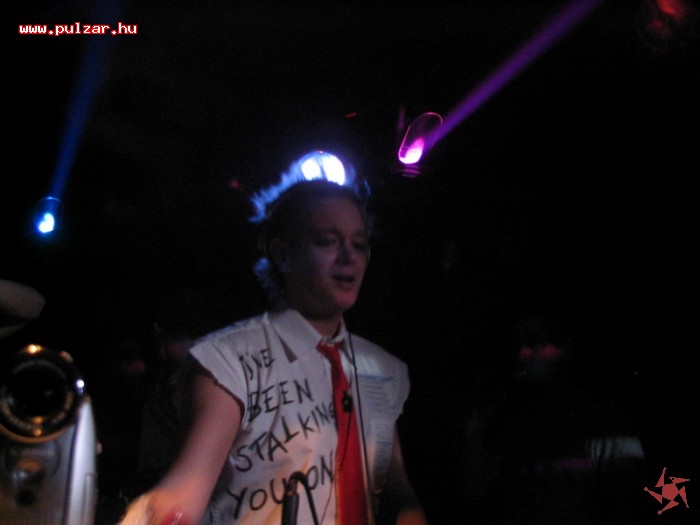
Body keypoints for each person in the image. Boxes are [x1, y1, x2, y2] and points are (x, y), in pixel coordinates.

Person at [118, 160, 428, 525]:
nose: (349, 256)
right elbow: (185, 489)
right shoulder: (228, 361)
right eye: (327, 241)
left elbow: (394, 489)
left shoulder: (381, 368)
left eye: (359, 244)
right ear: (282, 254)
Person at [461, 313, 648, 525]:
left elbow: (629, 502)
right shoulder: (514, 421)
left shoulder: (601, 418)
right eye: (519, 344)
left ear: (565, 349)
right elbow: (474, 491)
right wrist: (475, 426)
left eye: (535, 342)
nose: (522, 353)